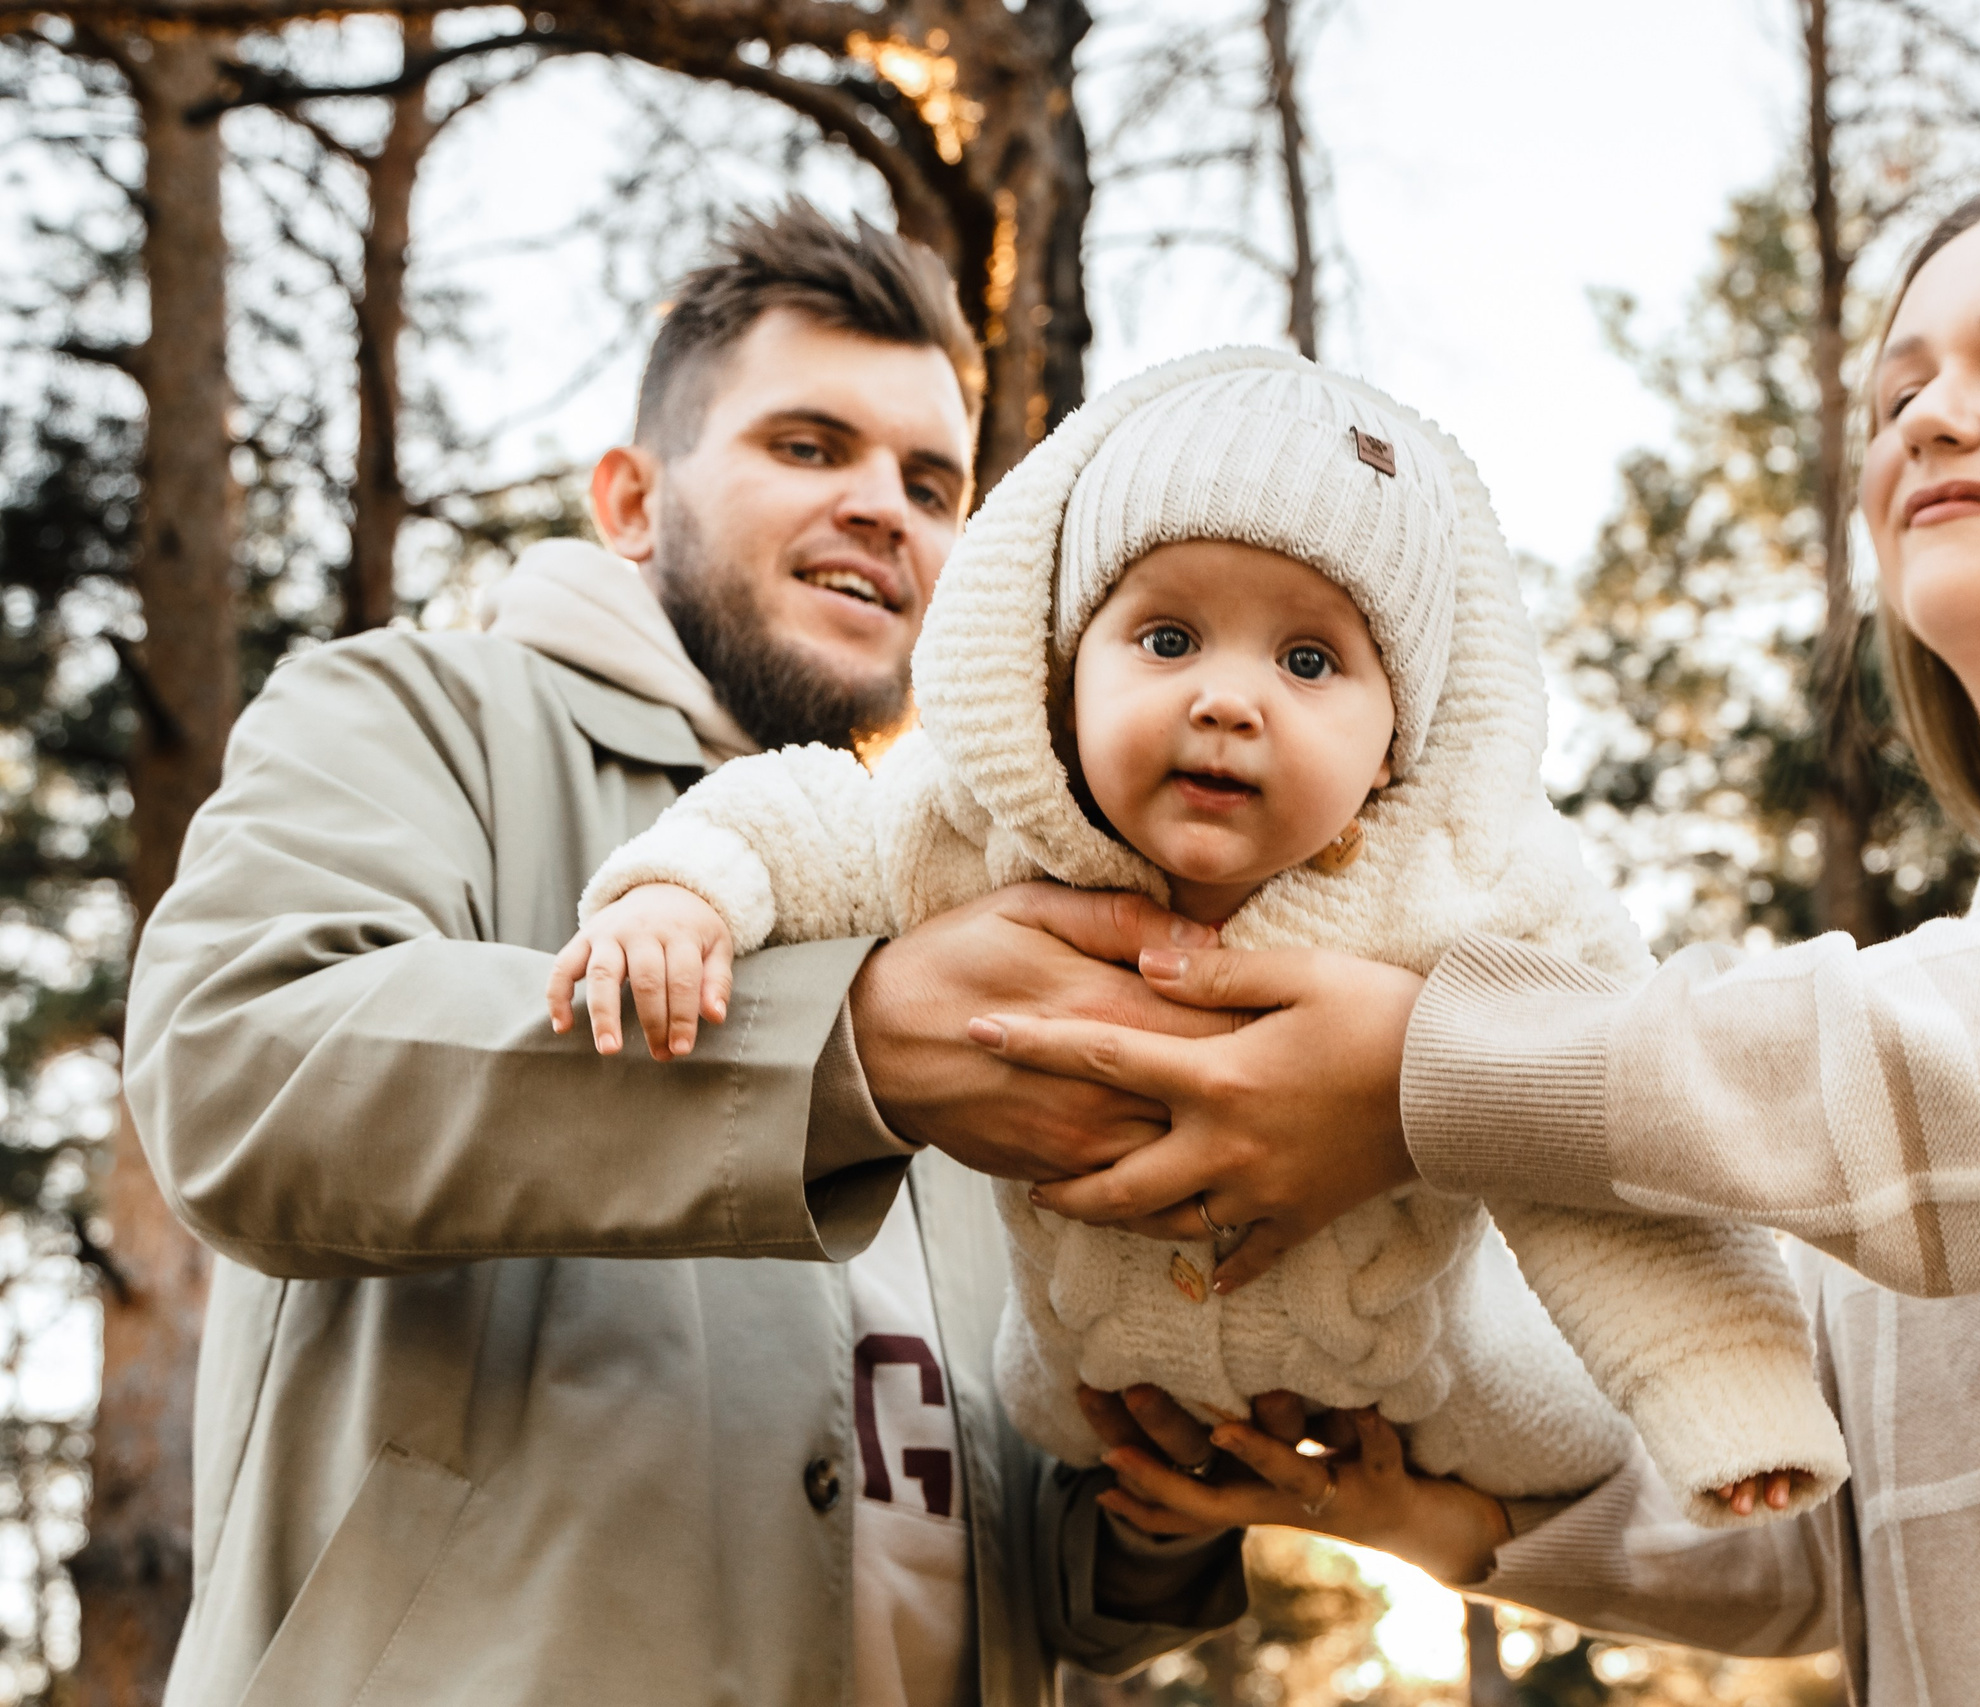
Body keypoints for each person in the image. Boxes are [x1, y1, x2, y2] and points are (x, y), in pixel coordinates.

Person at [960, 164, 1980, 1700]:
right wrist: (1418, 1509)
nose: (1929, 417)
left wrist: (1434, 1075)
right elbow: (1863, 1529)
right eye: (1895, 393)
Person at [121, 202, 1248, 1707]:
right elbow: (240, 1065)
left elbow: (1028, 1570)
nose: (884, 509)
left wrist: (1160, 1511)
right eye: (810, 445)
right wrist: (850, 1054)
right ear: (633, 501)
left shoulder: (964, 892)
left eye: (930, 482)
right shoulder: (412, 712)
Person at [547, 350, 1847, 1540]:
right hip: (1080, 1376)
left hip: (1404, 1362)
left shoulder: (1469, 887)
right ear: (1066, 673)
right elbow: (800, 818)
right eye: (1166, 640)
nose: (1228, 700)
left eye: (1310, 661)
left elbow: (1602, 1131)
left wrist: (1730, 1386)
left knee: (1565, 1439)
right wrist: (677, 897)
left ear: (1395, 739)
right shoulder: (976, 828)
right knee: (1064, 1441)